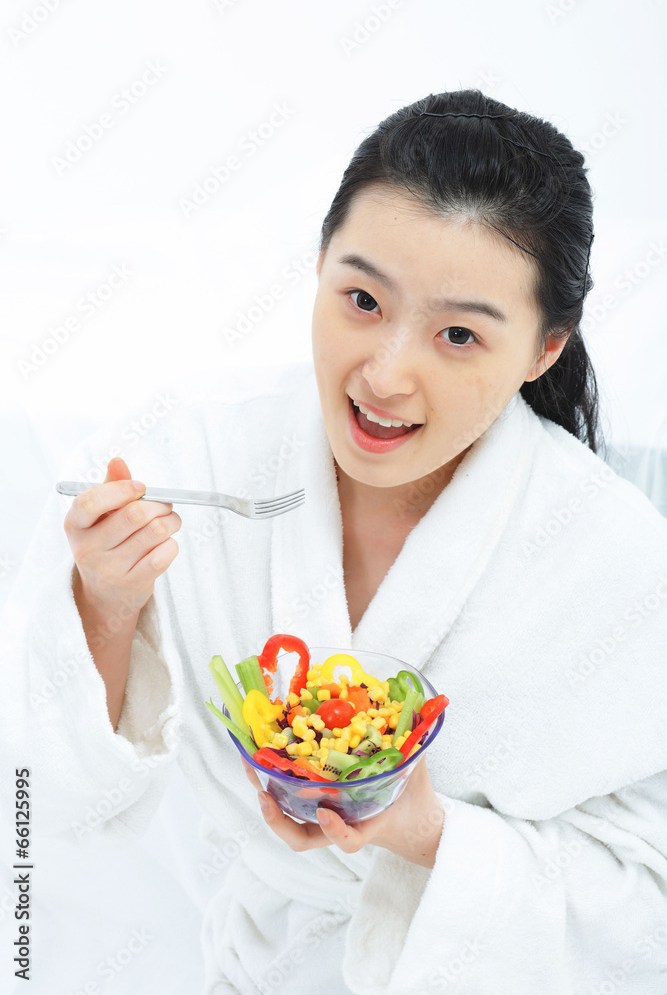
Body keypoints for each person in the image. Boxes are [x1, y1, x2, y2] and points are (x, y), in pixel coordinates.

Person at [3, 88, 667, 994]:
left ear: (544, 350)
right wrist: (108, 606)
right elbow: (40, 803)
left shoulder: (618, 565)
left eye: (458, 334)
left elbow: (646, 915)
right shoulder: (190, 456)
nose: (385, 376)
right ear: (318, 267)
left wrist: (423, 833)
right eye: (361, 299)